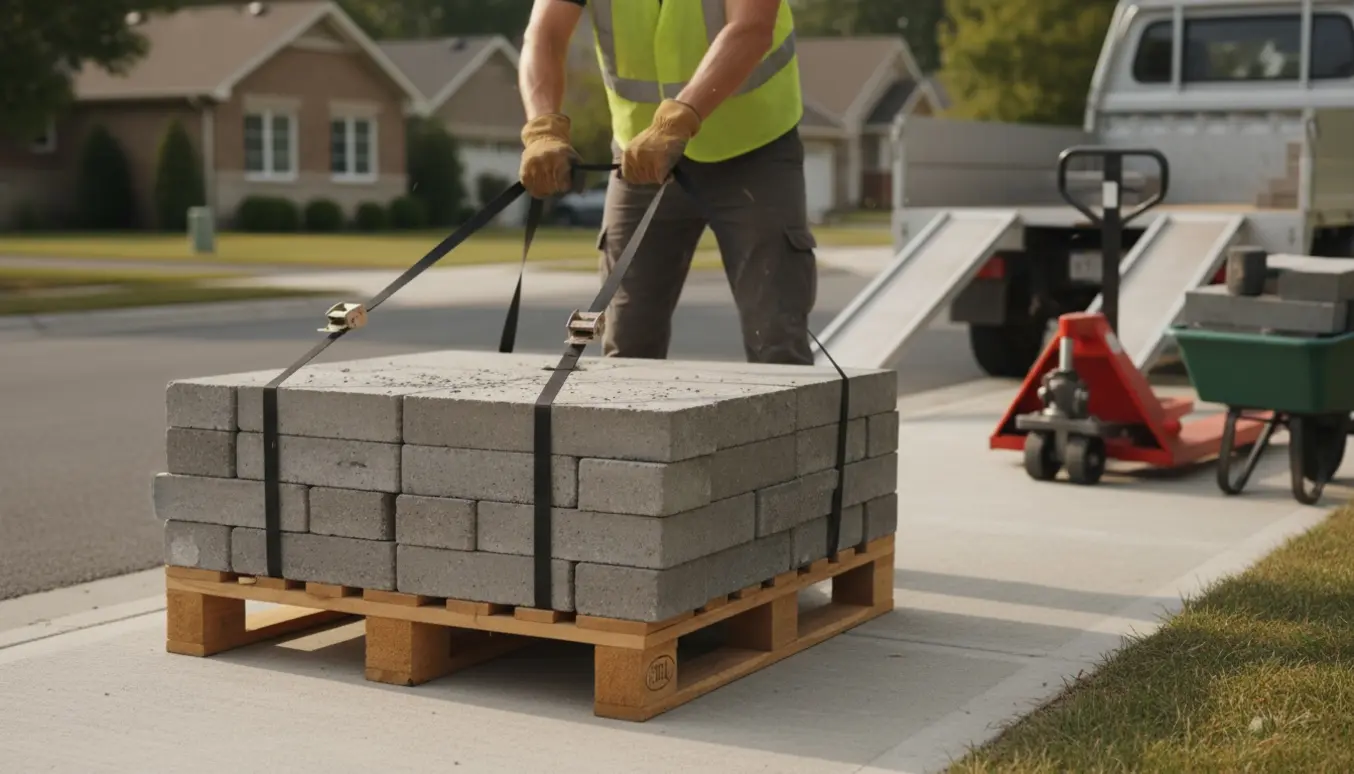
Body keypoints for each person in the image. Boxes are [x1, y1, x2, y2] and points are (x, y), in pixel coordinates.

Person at [517, 0, 818, 365]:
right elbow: (544, 34)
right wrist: (542, 127)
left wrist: (677, 121)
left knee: (776, 340)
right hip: (639, 158)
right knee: (627, 342)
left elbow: (751, 29)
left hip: (753, 146)